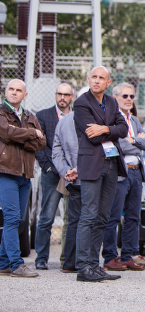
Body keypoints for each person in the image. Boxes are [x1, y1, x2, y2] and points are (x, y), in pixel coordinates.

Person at [74, 66, 129, 282]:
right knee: (88, 215)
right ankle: (83, 267)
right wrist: (111, 128)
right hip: (92, 164)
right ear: (89, 79)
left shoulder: (113, 102)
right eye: (94, 77)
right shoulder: (81, 103)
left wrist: (105, 128)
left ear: (108, 82)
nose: (97, 81)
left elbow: (123, 129)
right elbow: (92, 136)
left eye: (101, 78)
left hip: (111, 165)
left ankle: (94, 265)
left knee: (103, 217)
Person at [101, 83, 145, 272]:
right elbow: (117, 145)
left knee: (133, 216)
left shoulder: (135, 120)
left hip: (137, 172)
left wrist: (134, 140)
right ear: (115, 98)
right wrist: (136, 142)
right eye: (125, 96)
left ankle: (128, 256)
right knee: (113, 216)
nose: (129, 99)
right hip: (120, 173)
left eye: (131, 96)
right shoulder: (111, 119)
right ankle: (111, 257)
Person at [0, 79, 46, 278]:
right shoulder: (1, 112)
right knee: (11, 218)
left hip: (25, 175)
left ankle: (3, 263)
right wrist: (29, 133)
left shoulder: (29, 116)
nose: (14, 92)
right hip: (6, 173)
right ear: (6, 91)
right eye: (11, 89)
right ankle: (17, 264)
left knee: (18, 220)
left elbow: (41, 142)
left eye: (18, 90)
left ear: (24, 95)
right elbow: (7, 133)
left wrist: (23, 140)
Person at [34, 82, 74, 270]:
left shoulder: (77, 118)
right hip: (52, 174)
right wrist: (50, 168)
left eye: (66, 94)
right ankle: (41, 258)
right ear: (55, 94)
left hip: (72, 174)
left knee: (70, 217)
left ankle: (66, 258)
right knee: (47, 217)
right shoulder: (43, 116)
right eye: (59, 94)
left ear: (71, 96)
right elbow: (39, 146)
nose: (62, 98)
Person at [52, 110, 81, 274]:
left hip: (71, 178)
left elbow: (56, 151)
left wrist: (66, 171)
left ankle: (69, 262)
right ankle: (82, 262)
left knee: (72, 220)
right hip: (87, 178)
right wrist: (77, 170)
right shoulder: (92, 120)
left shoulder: (63, 121)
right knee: (87, 220)